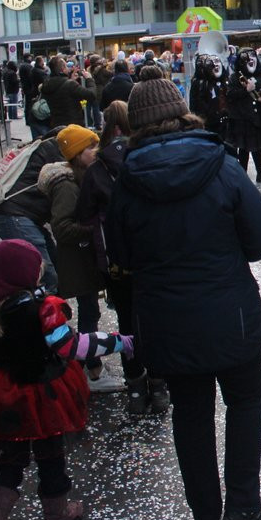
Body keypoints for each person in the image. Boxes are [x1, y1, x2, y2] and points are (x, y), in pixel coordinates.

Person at [106, 79, 261, 520]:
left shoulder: (127, 180)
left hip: (167, 323)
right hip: (232, 316)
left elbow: (120, 256)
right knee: (246, 402)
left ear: (137, 125)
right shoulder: (221, 165)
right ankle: (243, 507)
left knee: (190, 414)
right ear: (184, 112)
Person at [0, 239, 132, 520]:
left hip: (6, 399)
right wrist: (118, 341)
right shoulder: (44, 310)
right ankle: (57, 515)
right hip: (44, 399)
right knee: (51, 457)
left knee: (10, 458)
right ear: (28, 273)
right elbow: (71, 347)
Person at [76, 102, 166, 414]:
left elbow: (84, 215)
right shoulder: (147, 158)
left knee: (127, 322)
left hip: (116, 261)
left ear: (109, 128)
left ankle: (136, 388)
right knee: (155, 318)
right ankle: (159, 385)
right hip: (151, 256)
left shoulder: (96, 169)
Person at [37, 125, 121, 393]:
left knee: (90, 311)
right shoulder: (67, 184)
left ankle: (91, 364)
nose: (95, 152)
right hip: (78, 260)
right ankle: (92, 371)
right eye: (90, 147)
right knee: (89, 312)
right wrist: (96, 227)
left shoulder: (80, 176)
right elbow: (62, 227)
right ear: (76, 153)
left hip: (84, 257)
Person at [0, 130, 64, 294]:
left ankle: (48, 310)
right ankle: (43, 314)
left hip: (14, 213)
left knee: (51, 263)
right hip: (13, 215)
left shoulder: (43, 148)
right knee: (46, 274)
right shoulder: (55, 154)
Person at [227, 48, 261, 184]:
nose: (251, 60)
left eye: (253, 56)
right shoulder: (235, 77)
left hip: (258, 118)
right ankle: (243, 176)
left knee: (258, 148)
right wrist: (245, 90)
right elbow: (230, 95)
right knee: (244, 150)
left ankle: (260, 174)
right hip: (243, 119)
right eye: (247, 58)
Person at [40, 56, 97, 129]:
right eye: (66, 66)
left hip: (56, 124)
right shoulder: (70, 85)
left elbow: (62, 93)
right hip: (73, 124)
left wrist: (70, 80)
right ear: (63, 69)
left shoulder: (47, 84)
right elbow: (91, 95)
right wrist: (89, 79)